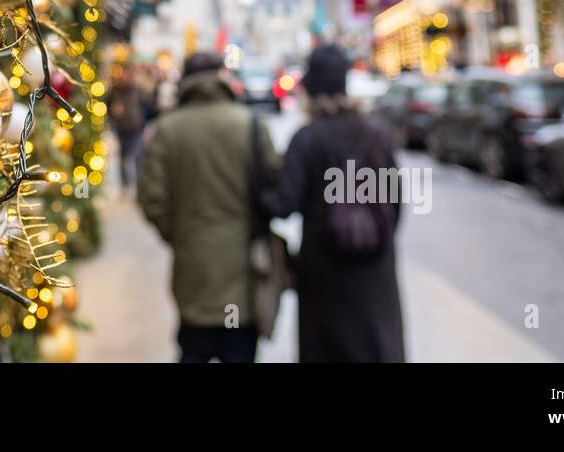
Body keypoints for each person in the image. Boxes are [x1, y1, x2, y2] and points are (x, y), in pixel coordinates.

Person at [263, 45, 405, 362]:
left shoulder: (308, 138)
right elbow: (395, 206)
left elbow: (283, 204)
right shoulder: (377, 134)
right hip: (376, 273)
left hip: (325, 274)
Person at [138, 50, 278, 363]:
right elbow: (274, 187)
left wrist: (177, 233)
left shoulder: (167, 128)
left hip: (193, 269)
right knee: (238, 347)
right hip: (242, 270)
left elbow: (151, 197)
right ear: (222, 78)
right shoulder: (250, 125)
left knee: (195, 346)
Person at [107, 64, 150, 191]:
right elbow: (107, 108)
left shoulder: (137, 89)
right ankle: (125, 185)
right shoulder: (113, 91)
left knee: (137, 156)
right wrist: (113, 114)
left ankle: (139, 184)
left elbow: (148, 105)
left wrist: (143, 120)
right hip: (121, 128)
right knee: (123, 157)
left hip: (136, 127)